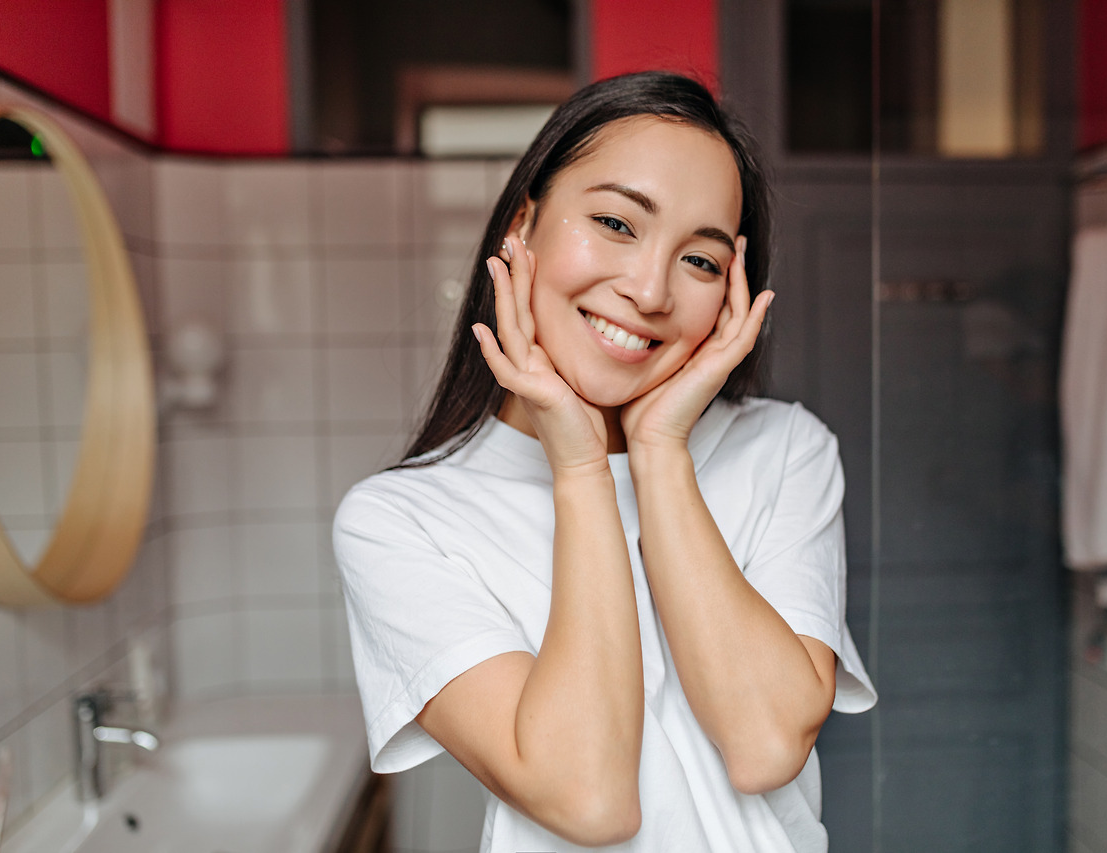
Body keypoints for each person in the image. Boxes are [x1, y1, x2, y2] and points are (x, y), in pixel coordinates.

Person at [333, 71, 876, 852]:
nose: (650, 289)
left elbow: (765, 745)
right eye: (618, 223)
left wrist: (659, 452)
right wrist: (582, 470)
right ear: (523, 225)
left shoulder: (786, 452)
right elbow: (589, 798)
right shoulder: (403, 520)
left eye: (699, 260)